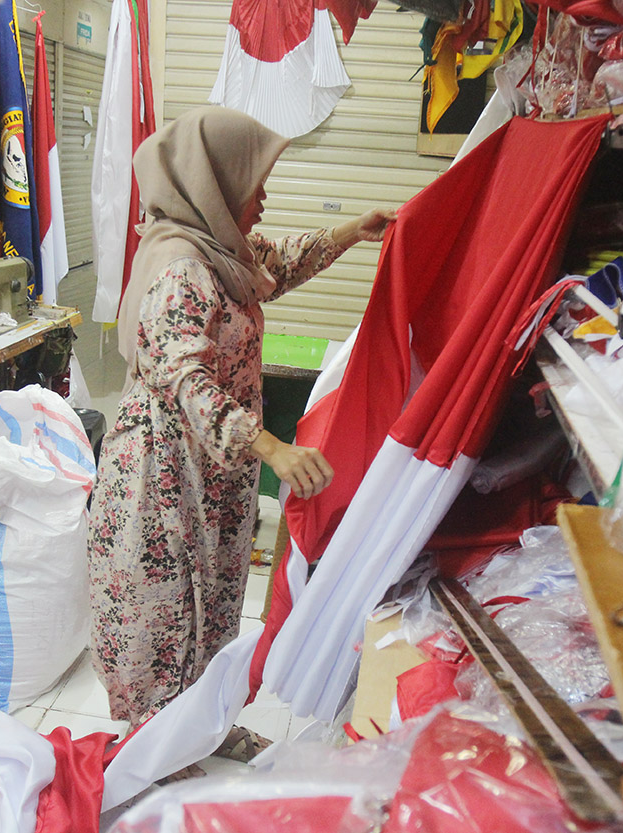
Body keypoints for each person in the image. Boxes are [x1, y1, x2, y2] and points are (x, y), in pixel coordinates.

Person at [86, 106, 396, 748]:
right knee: (166, 616)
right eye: (255, 182)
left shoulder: (222, 250)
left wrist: (353, 233)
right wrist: (270, 445)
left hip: (212, 469)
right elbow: (184, 379)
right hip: (163, 472)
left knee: (215, 607)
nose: (263, 197)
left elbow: (276, 263)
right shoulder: (181, 268)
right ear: (217, 185)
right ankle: (154, 753)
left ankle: (207, 727)